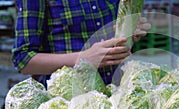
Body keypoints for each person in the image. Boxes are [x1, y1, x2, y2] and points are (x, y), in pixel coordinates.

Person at [12, 0, 150, 86]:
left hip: (117, 91)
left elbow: (117, 41)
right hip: (70, 102)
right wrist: (83, 59)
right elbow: (23, 60)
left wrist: (128, 33)